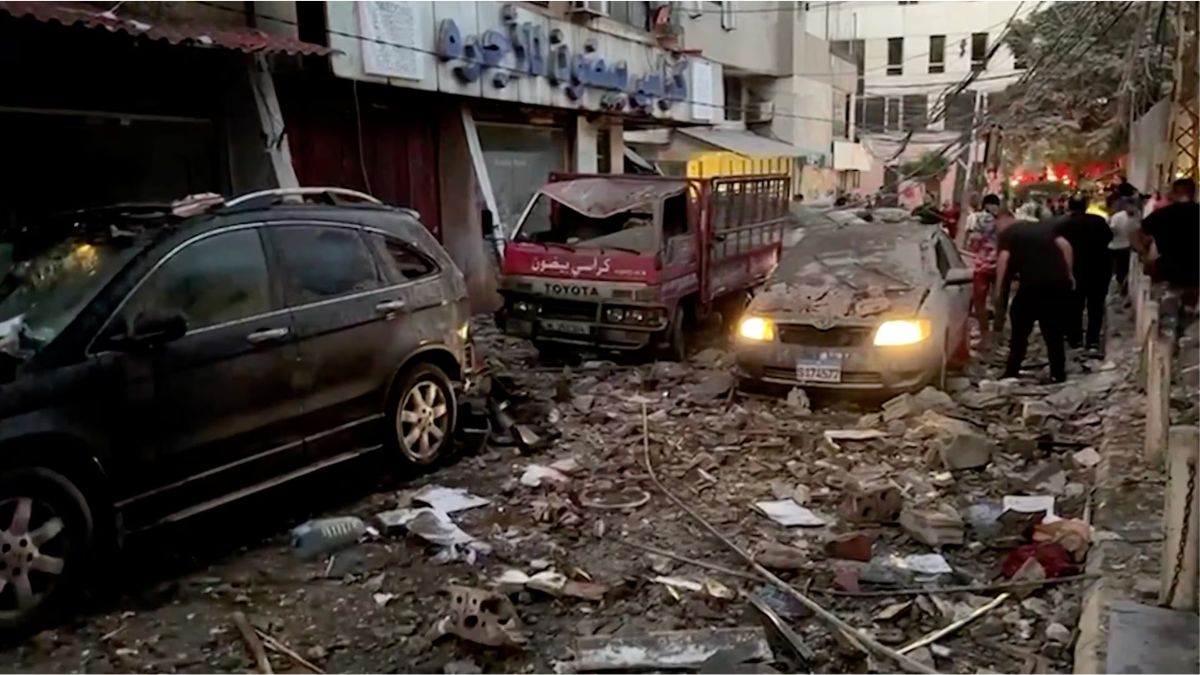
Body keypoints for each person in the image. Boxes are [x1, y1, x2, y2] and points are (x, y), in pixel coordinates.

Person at [996, 216, 1075, 382]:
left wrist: (999, 288)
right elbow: (1065, 245)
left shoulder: (1008, 233)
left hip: (1032, 286)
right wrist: (1068, 273)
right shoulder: (1043, 228)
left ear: (1002, 221)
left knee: (1019, 330)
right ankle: (1058, 373)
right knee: (1053, 331)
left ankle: (1012, 370)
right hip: (1056, 284)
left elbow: (1003, 259)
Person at [1139, 177, 1200, 342]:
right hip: (1195, 273)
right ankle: (1182, 341)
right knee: (1189, 311)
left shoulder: (1162, 214)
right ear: (1193, 193)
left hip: (1167, 271)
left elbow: (1139, 233)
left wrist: (1145, 254)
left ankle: (1167, 350)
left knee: (1167, 315)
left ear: (1174, 193)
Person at [1057, 195, 1113, 351]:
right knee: (1096, 305)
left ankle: (1075, 339)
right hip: (1099, 268)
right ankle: (1092, 339)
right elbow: (1109, 238)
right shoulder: (1099, 221)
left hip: (1075, 269)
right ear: (1086, 205)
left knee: (1074, 305)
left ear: (1069, 206)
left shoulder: (1064, 224)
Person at [963, 193, 1001, 346]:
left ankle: (985, 334)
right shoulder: (1005, 220)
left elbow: (973, 241)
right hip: (1000, 265)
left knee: (980, 301)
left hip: (982, 265)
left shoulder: (977, 219)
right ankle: (998, 333)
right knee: (999, 299)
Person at [1108, 197, 1140, 296]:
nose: (1132, 209)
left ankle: (1122, 289)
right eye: (1130, 206)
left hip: (1127, 247)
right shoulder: (1118, 217)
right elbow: (1112, 230)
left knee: (1124, 270)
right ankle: (1115, 288)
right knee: (1116, 270)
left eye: (1134, 206)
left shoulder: (1137, 216)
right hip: (1115, 246)